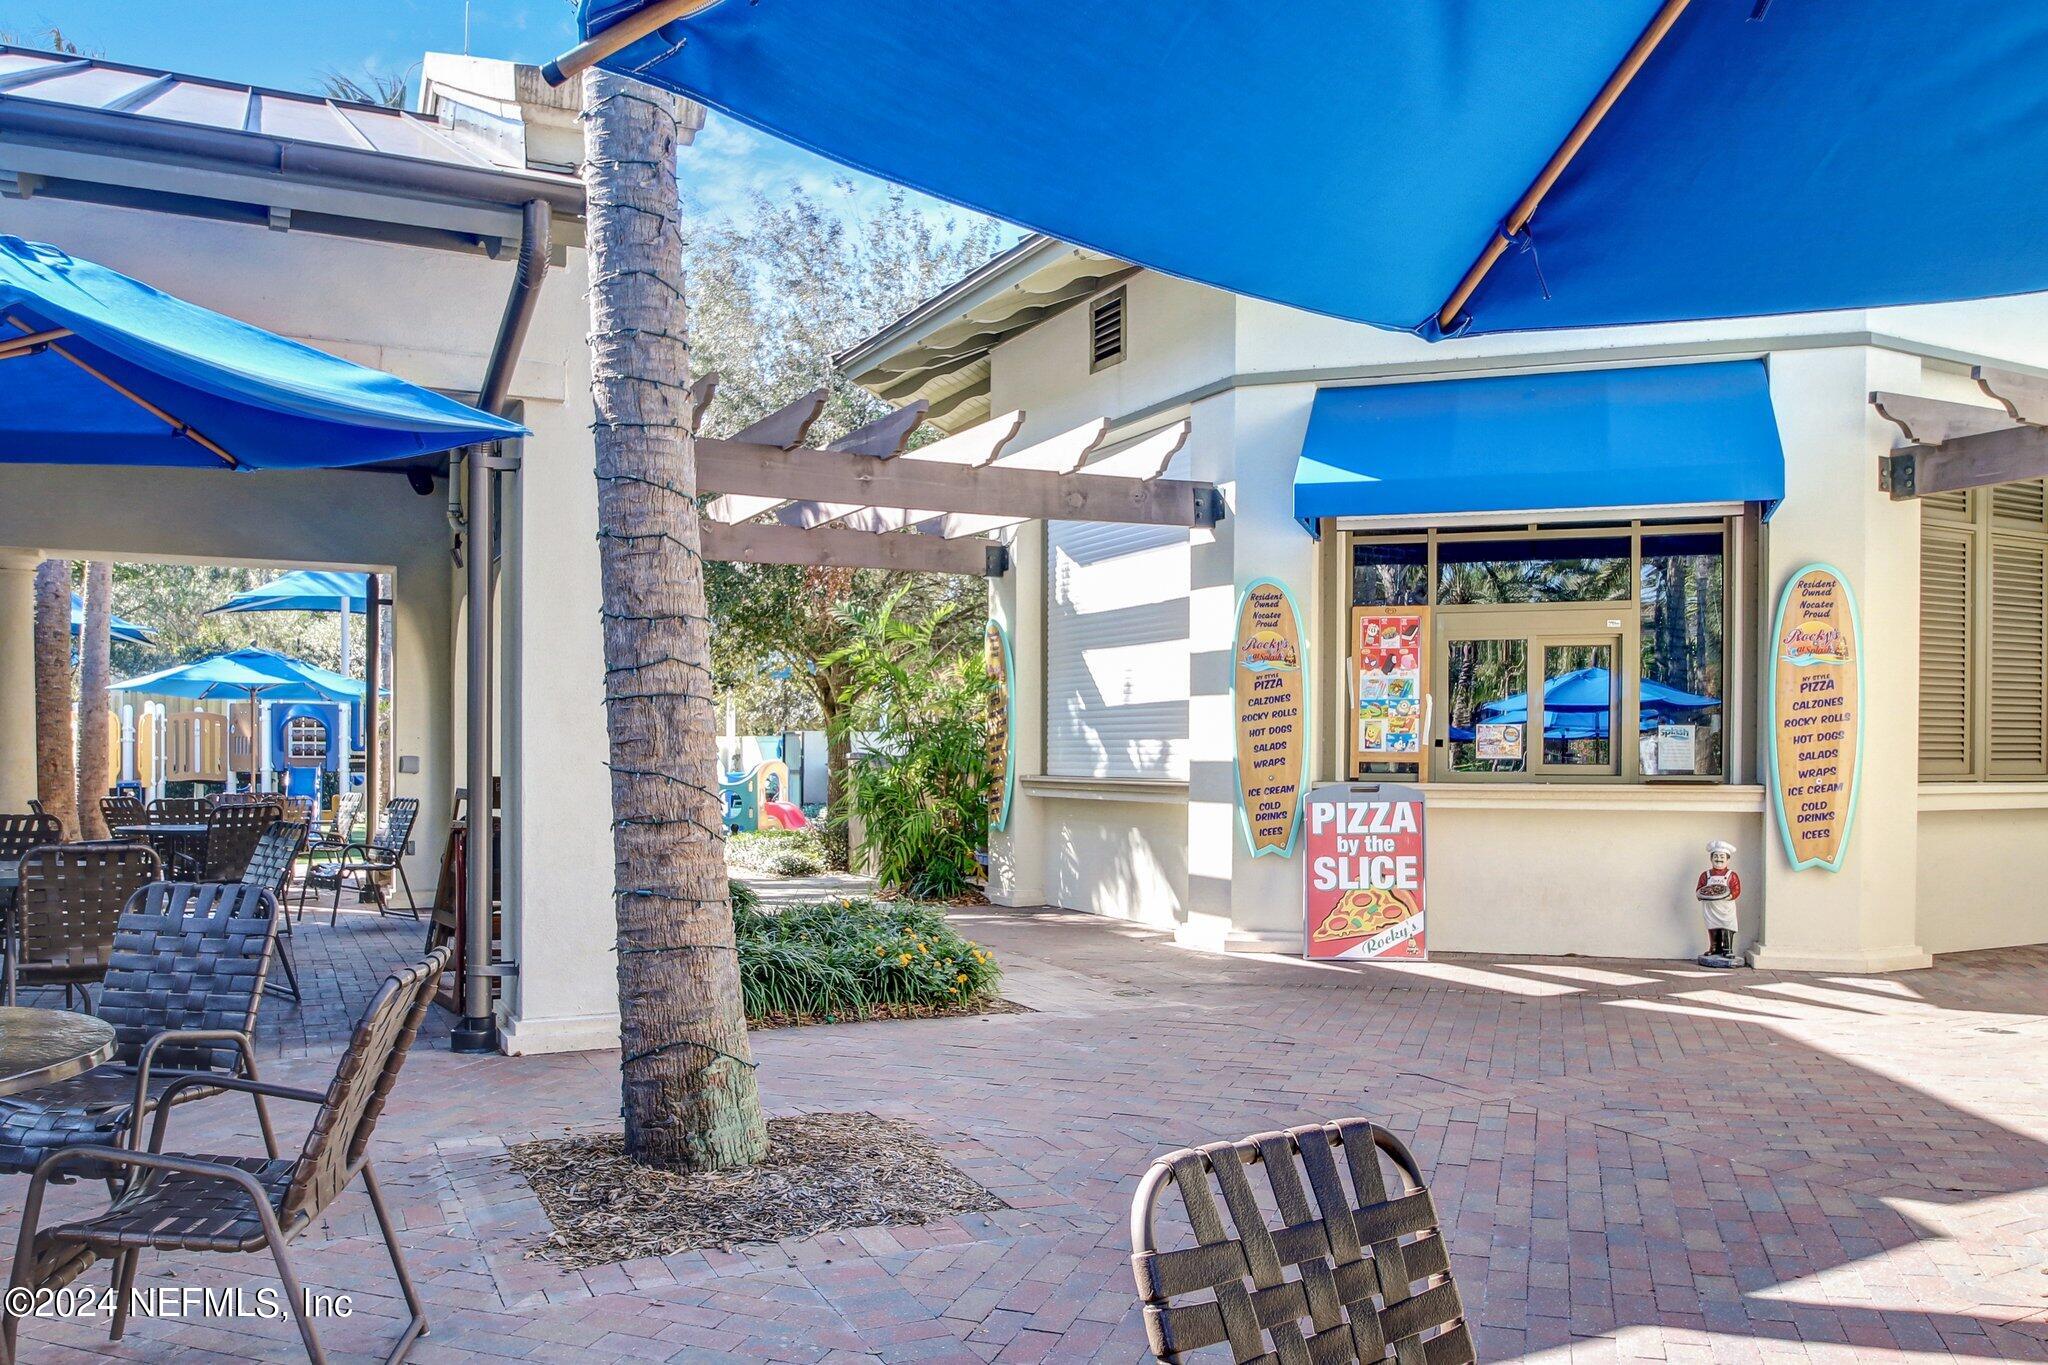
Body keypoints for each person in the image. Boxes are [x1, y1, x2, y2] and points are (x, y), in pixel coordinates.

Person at [1696, 840, 1740, 967]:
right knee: (1712, 927)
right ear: (1711, 858)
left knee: (1727, 926)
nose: (1719, 859)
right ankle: (1714, 947)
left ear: (1728, 859)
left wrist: (1731, 896)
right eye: (1715, 856)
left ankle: (1727, 949)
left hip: (1726, 907)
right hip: (1710, 907)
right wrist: (1699, 895)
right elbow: (1700, 887)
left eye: (1722, 857)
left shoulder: (1732, 875)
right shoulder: (1706, 875)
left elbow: (1736, 889)